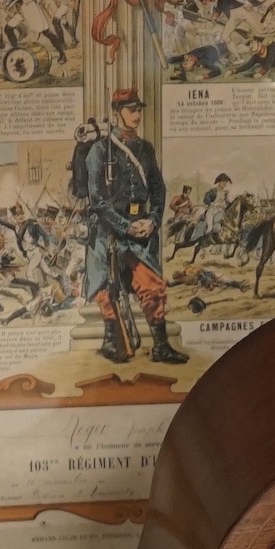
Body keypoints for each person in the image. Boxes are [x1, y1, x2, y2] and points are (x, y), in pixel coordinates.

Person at [85, 88, 187, 365]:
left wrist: (152, 220)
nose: (137, 115)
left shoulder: (145, 148)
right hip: (109, 231)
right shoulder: (99, 150)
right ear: (117, 114)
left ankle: (161, 346)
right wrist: (125, 227)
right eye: (131, 110)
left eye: (139, 110)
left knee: (152, 286)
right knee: (107, 289)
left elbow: (158, 189)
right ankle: (111, 341)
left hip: (142, 230)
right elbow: (97, 200)